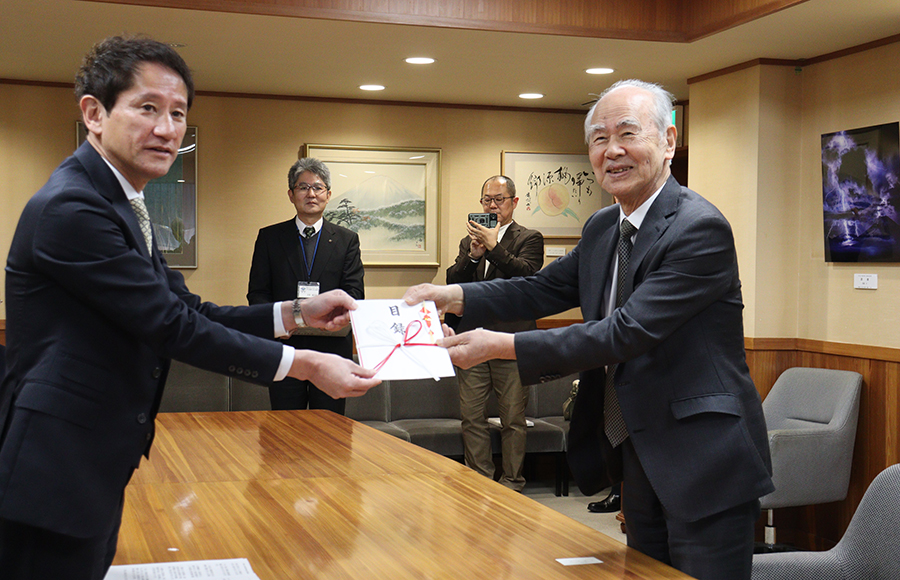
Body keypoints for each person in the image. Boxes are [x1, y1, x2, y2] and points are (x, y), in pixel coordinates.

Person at [0, 36, 379, 580]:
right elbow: (171, 325)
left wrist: (297, 316)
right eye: (147, 108)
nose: (167, 128)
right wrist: (304, 362)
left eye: (178, 113)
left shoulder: (121, 202)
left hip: (90, 456)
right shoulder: (74, 206)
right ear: (94, 113)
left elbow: (185, 305)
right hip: (56, 464)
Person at [404, 79, 773, 580]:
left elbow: (624, 332)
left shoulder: (698, 228)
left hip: (703, 459)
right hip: (638, 449)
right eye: (599, 139)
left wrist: (505, 345)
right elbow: (539, 289)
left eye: (627, 134)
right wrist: (454, 295)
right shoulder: (604, 226)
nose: (612, 151)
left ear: (668, 140)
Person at [446, 175, 543, 491]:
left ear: (513, 202)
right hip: (472, 341)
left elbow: (525, 275)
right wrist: (473, 254)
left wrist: (493, 245)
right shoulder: (469, 241)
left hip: (511, 343)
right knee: (471, 417)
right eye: (486, 200)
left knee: (512, 420)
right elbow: (453, 282)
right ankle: (479, 480)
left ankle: (512, 482)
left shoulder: (529, 237)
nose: (491, 205)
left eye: (498, 200)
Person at [248, 158, 365, 413]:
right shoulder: (269, 238)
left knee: (331, 433)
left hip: (332, 352)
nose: (311, 194)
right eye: (303, 187)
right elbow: (257, 293)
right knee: (286, 431)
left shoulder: (347, 240)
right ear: (291, 195)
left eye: (318, 187)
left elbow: (355, 293)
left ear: (328, 195)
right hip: (286, 350)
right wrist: (279, 324)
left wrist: (331, 320)